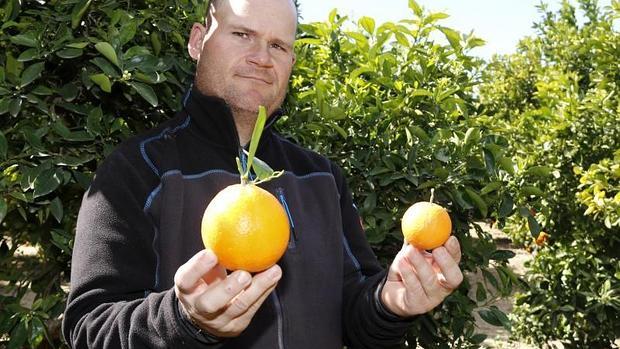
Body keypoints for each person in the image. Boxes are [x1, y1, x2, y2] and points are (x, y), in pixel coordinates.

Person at [62, 0, 464, 347]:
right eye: (242, 35)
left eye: (278, 45)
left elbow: (357, 318)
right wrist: (183, 321)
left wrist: (392, 304)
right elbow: (87, 328)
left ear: (291, 61)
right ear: (197, 40)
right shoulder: (137, 169)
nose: (262, 57)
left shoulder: (322, 177)